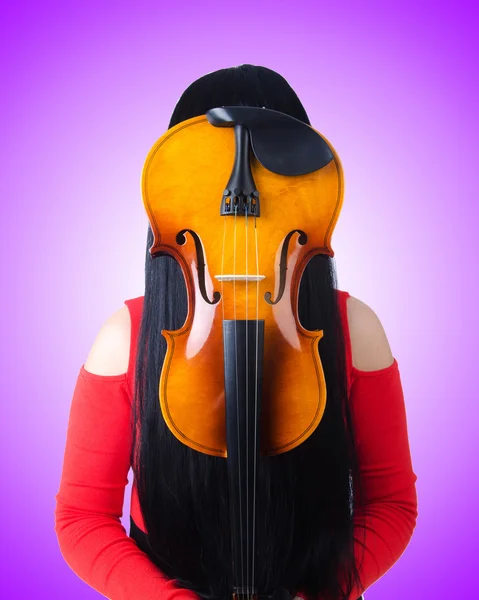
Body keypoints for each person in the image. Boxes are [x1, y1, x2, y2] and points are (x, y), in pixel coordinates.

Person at [54, 64, 418, 600]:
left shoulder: (353, 328)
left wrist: (321, 593)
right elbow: (82, 517)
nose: (245, 222)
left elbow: (392, 505)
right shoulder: (124, 336)